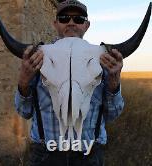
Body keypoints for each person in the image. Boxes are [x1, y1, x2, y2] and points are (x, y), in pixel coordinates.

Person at [14, 0, 124, 165]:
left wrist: (114, 81)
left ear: (86, 25)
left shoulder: (104, 62)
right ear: (56, 24)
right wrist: (24, 80)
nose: (71, 23)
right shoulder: (37, 61)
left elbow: (112, 114)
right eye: (64, 18)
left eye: (78, 19)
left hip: (90, 153)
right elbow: (24, 112)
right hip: (45, 155)